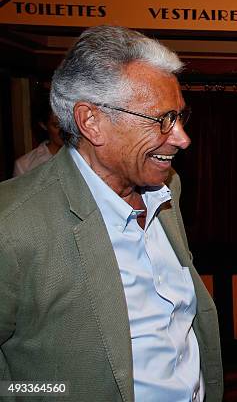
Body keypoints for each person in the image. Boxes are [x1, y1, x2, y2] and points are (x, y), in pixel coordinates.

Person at [0, 26, 223, 401]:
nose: (182, 138)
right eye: (161, 119)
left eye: (181, 117)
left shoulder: (168, 188)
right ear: (91, 121)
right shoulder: (13, 223)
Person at [12, 103, 63, 177]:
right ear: (43, 125)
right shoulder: (25, 165)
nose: (65, 130)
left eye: (67, 124)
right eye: (57, 125)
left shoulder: (82, 155)